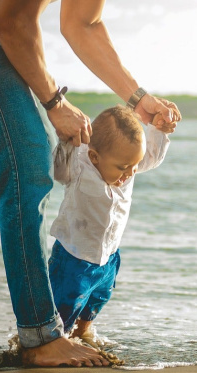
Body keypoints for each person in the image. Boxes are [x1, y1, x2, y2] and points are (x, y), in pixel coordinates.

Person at [0, 0, 181, 368]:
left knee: (26, 161)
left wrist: (139, 99)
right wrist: (55, 102)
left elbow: (84, 24)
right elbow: (11, 22)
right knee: (28, 159)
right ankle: (40, 335)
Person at [48, 105, 172, 345]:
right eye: (123, 168)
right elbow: (57, 169)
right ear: (94, 156)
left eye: (134, 165)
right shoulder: (79, 165)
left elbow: (152, 156)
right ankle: (55, 343)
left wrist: (159, 129)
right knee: (64, 305)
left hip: (109, 256)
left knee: (98, 298)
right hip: (74, 257)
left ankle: (82, 333)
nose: (130, 173)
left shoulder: (127, 162)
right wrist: (65, 140)